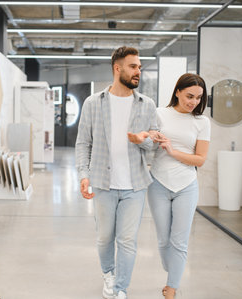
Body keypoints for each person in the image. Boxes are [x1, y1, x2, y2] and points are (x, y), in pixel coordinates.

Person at [75, 46, 163, 299]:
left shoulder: (147, 105)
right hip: (103, 182)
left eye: (139, 67)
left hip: (135, 184)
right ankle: (109, 274)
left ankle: (121, 287)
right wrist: (84, 174)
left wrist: (141, 140)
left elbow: (154, 144)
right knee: (104, 238)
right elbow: (83, 143)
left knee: (127, 240)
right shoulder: (93, 103)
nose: (138, 72)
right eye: (133, 66)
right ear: (118, 68)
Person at [129, 73, 210, 298]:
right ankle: (173, 267)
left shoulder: (202, 122)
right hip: (158, 184)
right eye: (189, 96)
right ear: (177, 92)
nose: (193, 102)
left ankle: (172, 287)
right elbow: (147, 145)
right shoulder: (159, 114)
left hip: (187, 185)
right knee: (164, 240)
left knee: (179, 241)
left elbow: (200, 160)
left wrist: (173, 151)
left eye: (198, 98)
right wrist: (146, 138)